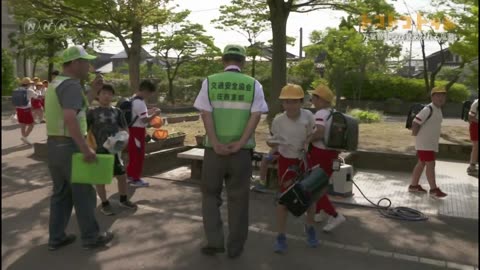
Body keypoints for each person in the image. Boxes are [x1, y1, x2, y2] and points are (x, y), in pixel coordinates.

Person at [193, 44, 268, 258]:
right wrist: (241, 142)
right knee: (239, 199)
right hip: (241, 153)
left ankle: (215, 242)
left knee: (209, 196)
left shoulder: (210, 81)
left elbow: (206, 114)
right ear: (242, 62)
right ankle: (235, 248)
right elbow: (256, 116)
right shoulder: (254, 85)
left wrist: (216, 142)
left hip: (213, 151)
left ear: (223, 60)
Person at [45, 45, 113, 251]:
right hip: (70, 146)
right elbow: (70, 117)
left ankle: (56, 237)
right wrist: (85, 148)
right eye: (86, 62)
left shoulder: (57, 83)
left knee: (61, 194)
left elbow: (78, 108)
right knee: (84, 193)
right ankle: (92, 237)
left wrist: (93, 90)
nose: (89, 66)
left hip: (54, 145)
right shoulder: (71, 85)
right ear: (75, 63)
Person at [269, 84, 318, 254]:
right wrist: (271, 145)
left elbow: (313, 133)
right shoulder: (278, 120)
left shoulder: (308, 116)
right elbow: (274, 140)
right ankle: (281, 236)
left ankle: (310, 227)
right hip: (285, 163)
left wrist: (307, 142)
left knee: (310, 197)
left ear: (301, 102)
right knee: (285, 200)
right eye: (286, 102)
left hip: (304, 161)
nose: (289, 105)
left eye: (293, 102)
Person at [87, 84, 137, 215]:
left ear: (113, 96)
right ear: (98, 95)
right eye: (103, 93)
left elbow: (125, 129)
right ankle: (105, 204)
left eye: (109, 93)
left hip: (115, 151)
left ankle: (123, 199)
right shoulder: (92, 112)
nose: (107, 96)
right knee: (101, 179)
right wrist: (87, 147)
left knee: (122, 176)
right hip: (99, 151)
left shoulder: (117, 111)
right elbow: (85, 131)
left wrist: (124, 142)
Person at [306, 84, 346, 232]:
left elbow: (320, 132)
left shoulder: (320, 114)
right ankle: (319, 212)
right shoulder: (333, 113)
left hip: (319, 154)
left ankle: (335, 215)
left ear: (320, 99)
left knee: (314, 187)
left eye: (314, 97)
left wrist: (305, 140)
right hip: (332, 155)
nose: (312, 100)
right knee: (321, 186)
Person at [408, 86, 448, 198]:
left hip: (429, 144)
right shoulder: (428, 109)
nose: (441, 98)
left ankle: (413, 186)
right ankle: (434, 189)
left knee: (421, 163)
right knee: (431, 164)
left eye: (443, 96)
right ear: (432, 97)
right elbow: (416, 122)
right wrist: (416, 136)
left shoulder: (438, 109)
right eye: (438, 95)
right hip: (425, 144)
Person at [126, 80, 161, 187]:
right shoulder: (140, 102)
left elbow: (138, 115)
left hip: (132, 130)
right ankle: (136, 179)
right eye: (150, 93)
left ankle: (130, 175)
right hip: (137, 131)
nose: (149, 96)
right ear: (146, 91)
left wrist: (150, 111)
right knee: (138, 155)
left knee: (133, 154)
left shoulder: (133, 99)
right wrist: (155, 114)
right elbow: (145, 120)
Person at [12, 77, 37, 145]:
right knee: (31, 124)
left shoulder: (17, 90)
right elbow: (36, 96)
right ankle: (24, 137)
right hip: (26, 110)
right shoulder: (29, 90)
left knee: (23, 124)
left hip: (19, 109)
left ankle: (24, 138)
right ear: (28, 84)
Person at [467, 98, 478, 176]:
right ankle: (471, 167)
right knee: (476, 146)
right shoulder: (476, 103)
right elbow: (470, 118)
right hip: (475, 126)